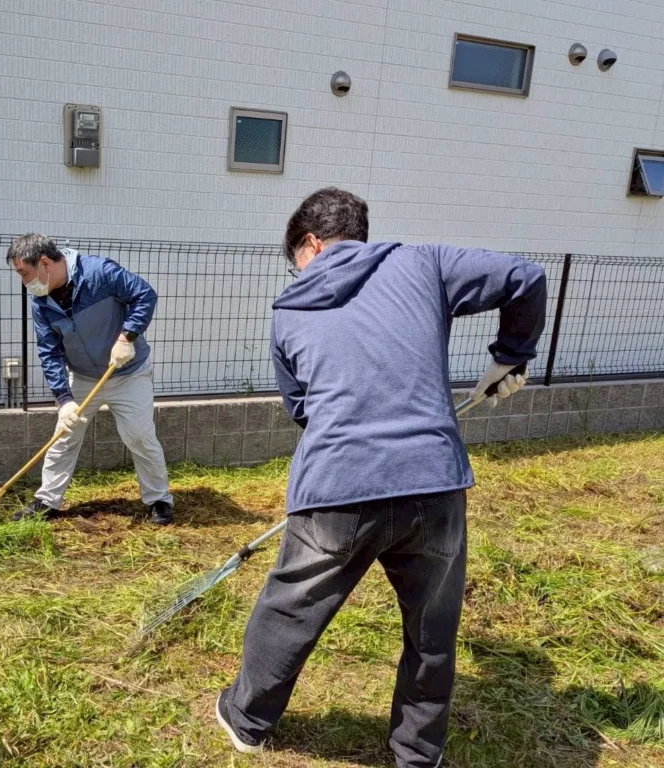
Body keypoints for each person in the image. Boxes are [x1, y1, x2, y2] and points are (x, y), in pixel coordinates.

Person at [215, 188, 546, 766]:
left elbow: (302, 408)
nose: (299, 273)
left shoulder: (289, 311)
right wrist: (511, 354)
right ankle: (416, 754)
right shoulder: (424, 265)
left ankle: (247, 719)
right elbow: (525, 277)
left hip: (337, 487)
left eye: (296, 259)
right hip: (432, 482)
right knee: (431, 628)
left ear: (312, 243)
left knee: (289, 609)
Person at [6, 233, 174, 525]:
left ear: (44, 263)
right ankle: (47, 500)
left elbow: (144, 294)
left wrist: (127, 336)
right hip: (83, 377)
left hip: (128, 373)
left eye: (24, 273)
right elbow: (49, 352)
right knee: (64, 436)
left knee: (139, 436)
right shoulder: (41, 303)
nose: (24, 281)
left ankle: (159, 499)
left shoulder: (99, 274)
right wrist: (64, 400)